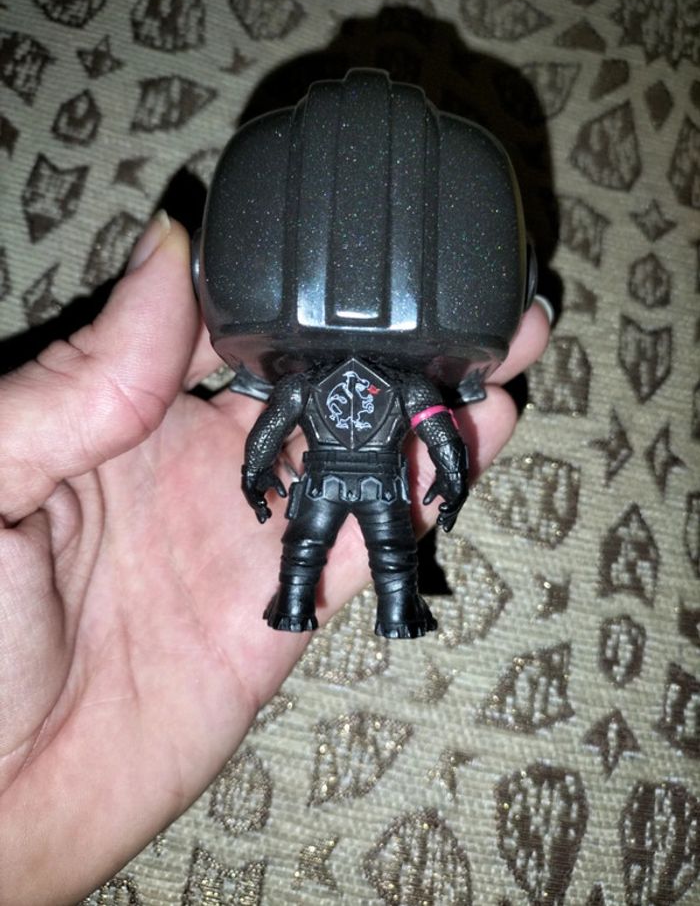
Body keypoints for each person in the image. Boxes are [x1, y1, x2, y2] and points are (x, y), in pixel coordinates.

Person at [0, 213, 551, 905]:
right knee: (384, 553)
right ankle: (392, 610)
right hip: (378, 481)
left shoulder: (304, 383)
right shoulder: (409, 385)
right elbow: (441, 438)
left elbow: (267, 437)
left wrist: (256, 479)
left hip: (325, 480)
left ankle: (307, 605)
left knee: (309, 552)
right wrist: (451, 480)